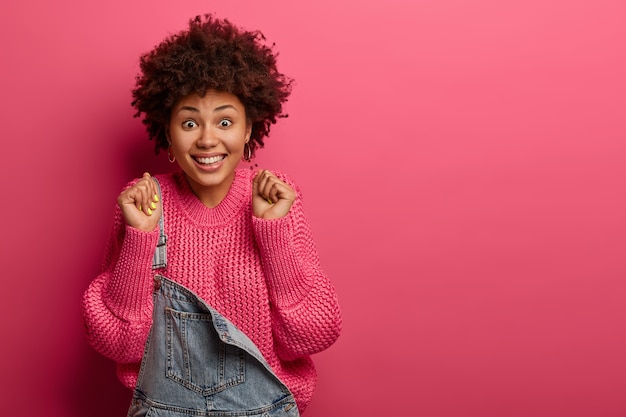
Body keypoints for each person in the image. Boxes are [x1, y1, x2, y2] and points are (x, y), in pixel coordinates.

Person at [82, 14, 342, 415]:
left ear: (249, 129)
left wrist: (271, 234)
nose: (207, 139)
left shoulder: (277, 203)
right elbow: (118, 344)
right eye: (189, 122)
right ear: (168, 132)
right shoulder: (144, 205)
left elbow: (312, 336)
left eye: (224, 121)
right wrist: (139, 241)